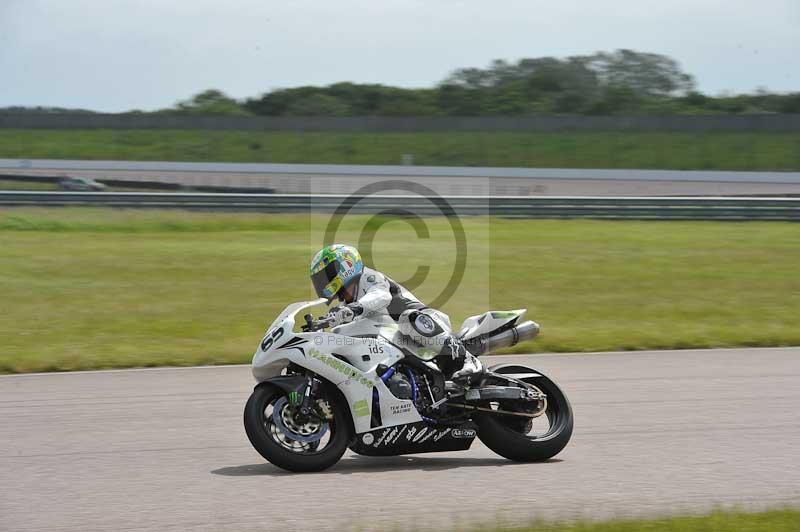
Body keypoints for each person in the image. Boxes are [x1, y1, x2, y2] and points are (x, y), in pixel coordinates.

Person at [309, 243, 482, 379]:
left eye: (327, 274)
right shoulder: (349, 302)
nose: (323, 282)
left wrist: (351, 310)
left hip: (425, 322)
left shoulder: (368, 277)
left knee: (409, 319)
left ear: (345, 265)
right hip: (400, 340)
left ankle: (467, 360)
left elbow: (381, 296)